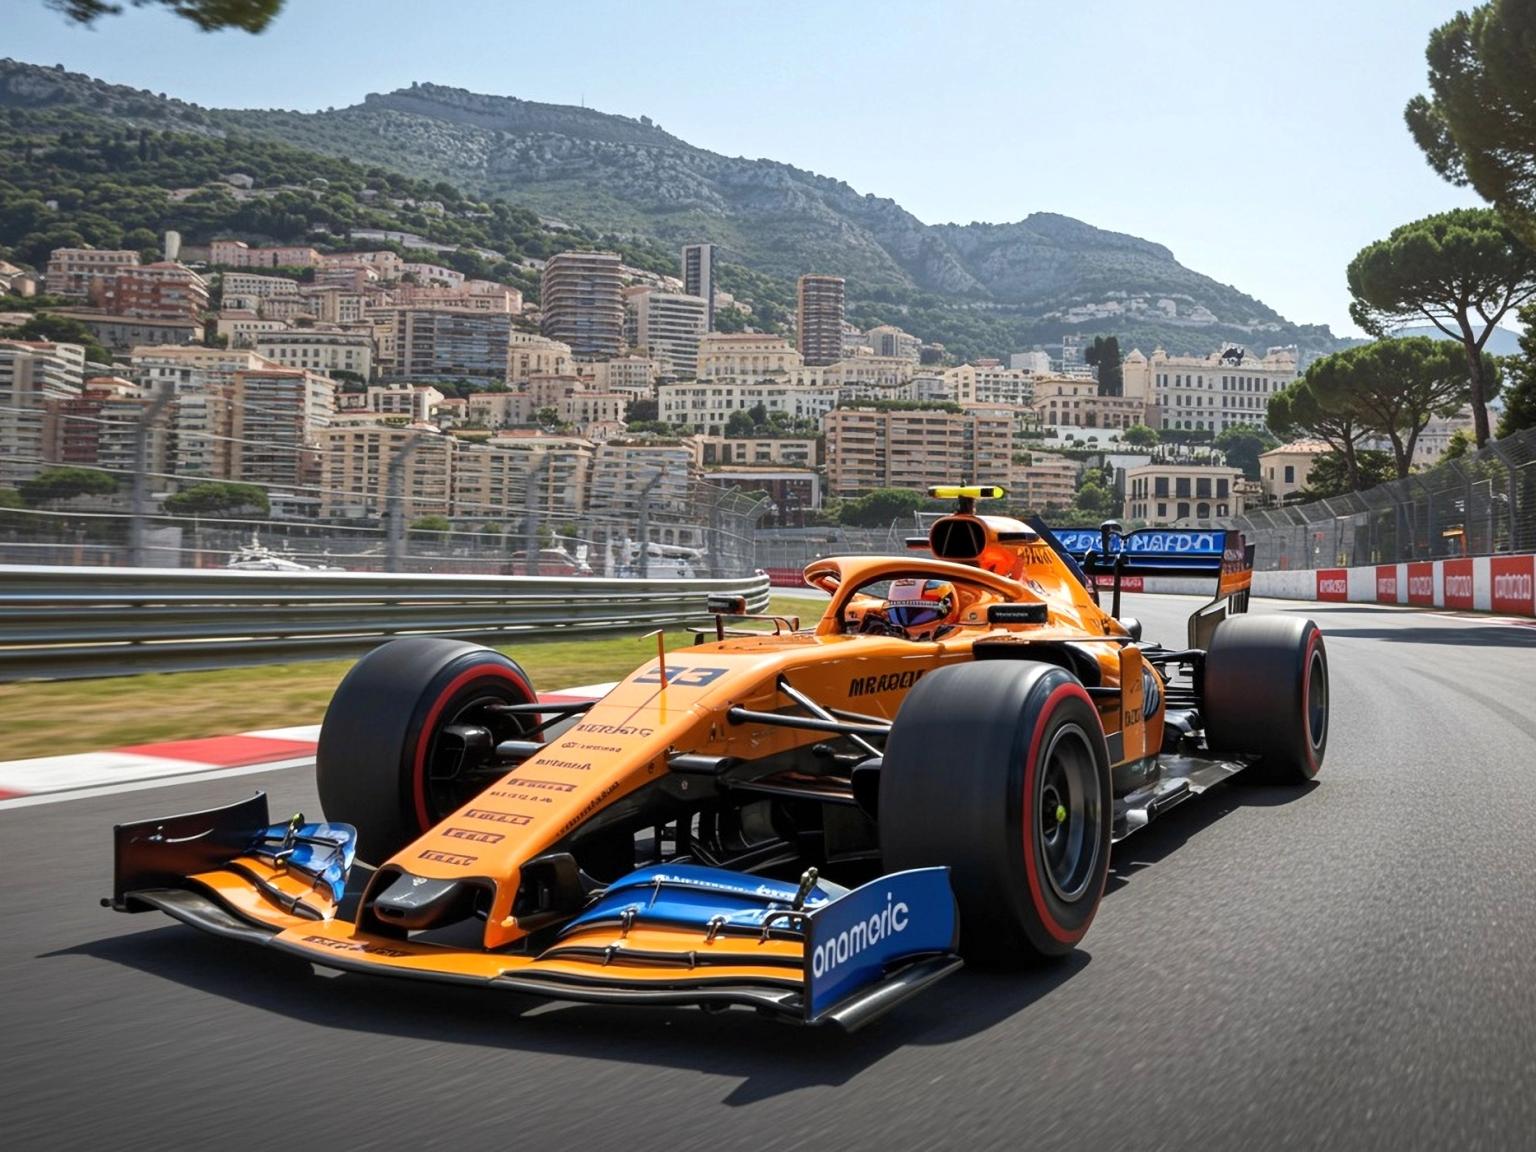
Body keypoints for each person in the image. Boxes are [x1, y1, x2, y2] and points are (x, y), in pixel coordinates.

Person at [857, 578, 960, 641]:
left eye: (919, 614)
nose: (905, 623)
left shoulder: (963, 637)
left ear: (946, 608)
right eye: (896, 614)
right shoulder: (880, 629)